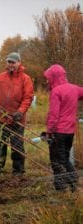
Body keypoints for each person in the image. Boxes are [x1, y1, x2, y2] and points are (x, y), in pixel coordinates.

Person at [0, 52, 34, 175]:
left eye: (13, 62)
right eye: (9, 62)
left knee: (17, 146)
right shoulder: (0, 77)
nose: (10, 64)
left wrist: (20, 112)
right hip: (0, 119)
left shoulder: (25, 79)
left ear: (19, 63)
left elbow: (28, 98)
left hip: (17, 119)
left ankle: (18, 171)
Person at [43, 64, 83, 192]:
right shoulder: (75, 89)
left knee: (57, 160)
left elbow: (54, 115)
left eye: (48, 78)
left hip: (58, 132)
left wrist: (49, 132)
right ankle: (70, 185)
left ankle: (68, 186)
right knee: (64, 158)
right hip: (70, 132)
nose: (47, 80)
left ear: (54, 77)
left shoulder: (56, 91)